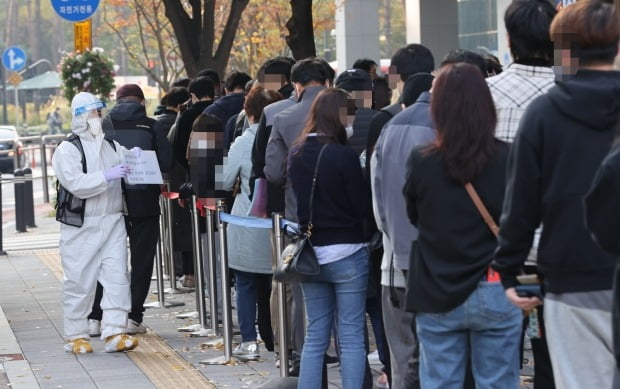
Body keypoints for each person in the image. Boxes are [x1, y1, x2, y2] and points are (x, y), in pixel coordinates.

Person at [492, 2, 620, 388]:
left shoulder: (546, 113)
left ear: (562, 50)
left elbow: (522, 203)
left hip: (570, 273)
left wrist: (511, 268)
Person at [371, 49, 485, 389]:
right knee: (448, 356)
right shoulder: (455, 129)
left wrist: (392, 237)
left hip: (395, 262)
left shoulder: (389, 128)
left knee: (405, 356)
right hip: (447, 267)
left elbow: (378, 205)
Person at [403, 63, 521, 388]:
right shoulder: (509, 157)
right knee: (498, 381)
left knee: (440, 382)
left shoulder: (422, 161)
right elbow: (521, 220)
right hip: (496, 284)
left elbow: (415, 216)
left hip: (438, 286)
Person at [486, 1, 557, 387]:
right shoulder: (573, 93)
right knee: (550, 347)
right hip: (563, 252)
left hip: (499, 251)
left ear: (510, 40)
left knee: (501, 349)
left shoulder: (483, 95)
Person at [288, 88, 372, 389]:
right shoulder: (344, 155)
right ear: (340, 117)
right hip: (348, 251)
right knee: (350, 335)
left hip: (311, 253)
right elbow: (361, 205)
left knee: (315, 335)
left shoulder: (296, 153)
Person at [52, 92, 139, 353]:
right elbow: (76, 184)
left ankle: (115, 331)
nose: (97, 118)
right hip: (81, 226)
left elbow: (128, 169)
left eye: (99, 112)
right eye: (92, 113)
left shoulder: (111, 146)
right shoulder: (67, 149)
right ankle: (76, 334)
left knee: (117, 277)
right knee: (79, 281)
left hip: (112, 221)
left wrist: (136, 160)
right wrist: (106, 176)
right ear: (79, 116)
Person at [87, 84, 173, 336]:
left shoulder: (102, 125)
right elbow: (167, 162)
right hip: (144, 202)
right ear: (141, 102)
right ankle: (133, 317)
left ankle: (95, 316)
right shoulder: (151, 125)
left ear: (117, 100)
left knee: (105, 259)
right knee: (142, 259)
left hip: (109, 202)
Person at [264, 58, 330, 375]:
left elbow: (273, 172)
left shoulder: (281, 116)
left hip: (299, 216)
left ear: (297, 85)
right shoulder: (343, 111)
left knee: (304, 292)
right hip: (346, 220)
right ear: (327, 82)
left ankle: (305, 358)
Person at [223, 86, 282, 360]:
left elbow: (222, 180)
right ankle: (283, 342)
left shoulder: (243, 142)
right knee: (279, 286)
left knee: (245, 283)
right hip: (279, 226)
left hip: (246, 221)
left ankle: (249, 342)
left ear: (249, 113)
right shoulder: (287, 136)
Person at [204, 71, 252, 151]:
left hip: (216, 161)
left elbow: (202, 147)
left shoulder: (210, 111)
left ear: (226, 90)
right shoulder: (257, 108)